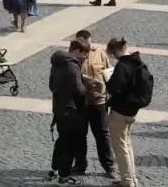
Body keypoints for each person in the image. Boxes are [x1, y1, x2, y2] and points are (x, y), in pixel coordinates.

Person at [105, 37, 150, 187]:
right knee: (127, 145)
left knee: (120, 146)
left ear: (116, 50)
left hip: (120, 111)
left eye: (112, 53)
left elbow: (113, 88)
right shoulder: (138, 62)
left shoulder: (123, 66)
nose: (113, 57)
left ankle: (127, 181)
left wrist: (107, 79)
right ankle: (131, 178)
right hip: (132, 111)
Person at [74, 30, 115, 181]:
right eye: (80, 41)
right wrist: (86, 79)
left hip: (99, 101)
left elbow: (108, 73)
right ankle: (80, 165)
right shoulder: (75, 53)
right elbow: (73, 74)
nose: (84, 44)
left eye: (86, 41)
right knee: (80, 135)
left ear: (90, 40)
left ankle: (108, 166)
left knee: (103, 135)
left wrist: (110, 93)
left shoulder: (100, 53)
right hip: (81, 102)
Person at [49, 39, 89, 186]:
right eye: (84, 53)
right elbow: (79, 91)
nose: (85, 57)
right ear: (77, 51)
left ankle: (54, 169)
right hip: (71, 111)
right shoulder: (72, 66)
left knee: (61, 141)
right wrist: (87, 85)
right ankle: (64, 175)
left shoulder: (57, 63)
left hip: (59, 108)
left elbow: (52, 85)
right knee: (69, 145)